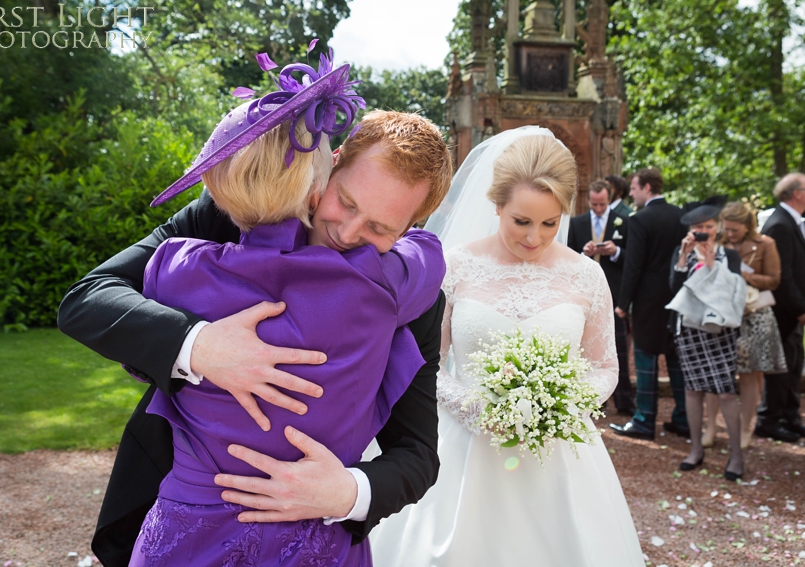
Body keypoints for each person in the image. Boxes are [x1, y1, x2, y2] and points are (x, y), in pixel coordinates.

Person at [57, 75, 455, 567]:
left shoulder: (415, 298)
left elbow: (417, 453)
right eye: (346, 203)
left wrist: (348, 493)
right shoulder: (228, 209)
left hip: (317, 537)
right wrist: (197, 345)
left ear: (410, 230)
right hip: (178, 505)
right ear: (330, 166)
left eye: (380, 228)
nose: (348, 232)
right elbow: (87, 299)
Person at [371, 127, 645, 567]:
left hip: (555, 452)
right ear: (496, 205)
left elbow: (603, 366)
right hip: (464, 447)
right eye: (521, 221)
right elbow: (428, 363)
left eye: (550, 223)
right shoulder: (455, 266)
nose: (534, 237)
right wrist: (474, 406)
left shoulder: (586, 276)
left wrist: (560, 405)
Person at [665, 196, 746, 480]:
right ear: (690, 230)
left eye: (709, 226)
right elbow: (673, 289)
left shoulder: (729, 256)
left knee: (725, 391)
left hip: (720, 332)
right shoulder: (682, 251)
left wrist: (713, 266)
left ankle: (736, 456)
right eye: (699, 227)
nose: (704, 231)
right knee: (692, 390)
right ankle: (696, 450)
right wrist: (684, 257)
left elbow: (733, 293)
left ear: (718, 227)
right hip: (688, 331)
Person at [610, 168, 689, 440]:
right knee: (676, 359)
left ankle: (644, 421)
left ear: (646, 188)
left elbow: (634, 265)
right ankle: (683, 419)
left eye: (633, 188)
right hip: (678, 298)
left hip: (647, 303)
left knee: (645, 360)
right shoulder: (681, 216)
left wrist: (623, 303)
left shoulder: (640, 219)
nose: (631, 193)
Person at [702, 202, 785, 449]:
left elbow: (774, 280)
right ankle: (710, 426)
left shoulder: (766, 244)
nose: (730, 234)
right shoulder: (720, 244)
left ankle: (746, 427)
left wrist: (743, 274)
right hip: (724, 314)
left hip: (754, 315)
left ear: (747, 225)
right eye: (726, 229)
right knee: (717, 372)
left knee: (750, 375)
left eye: (735, 230)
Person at [568, 180, 634, 415]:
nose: (598, 209)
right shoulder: (576, 223)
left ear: (609, 200)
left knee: (617, 348)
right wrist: (583, 254)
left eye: (602, 205)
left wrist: (615, 251)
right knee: (585, 346)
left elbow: (632, 260)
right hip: (584, 293)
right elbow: (566, 257)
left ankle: (625, 401)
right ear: (588, 201)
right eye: (594, 204)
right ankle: (593, 400)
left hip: (615, 292)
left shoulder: (624, 222)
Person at [755, 172, 805, 442]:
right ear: (796, 193)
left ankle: (790, 415)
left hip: (792, 313)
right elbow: (782, 277)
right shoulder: (780, 225)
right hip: (782, 313)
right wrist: (800, 310)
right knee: (780, 367)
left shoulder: (790, 221)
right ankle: (770, 418)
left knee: (794, 365)